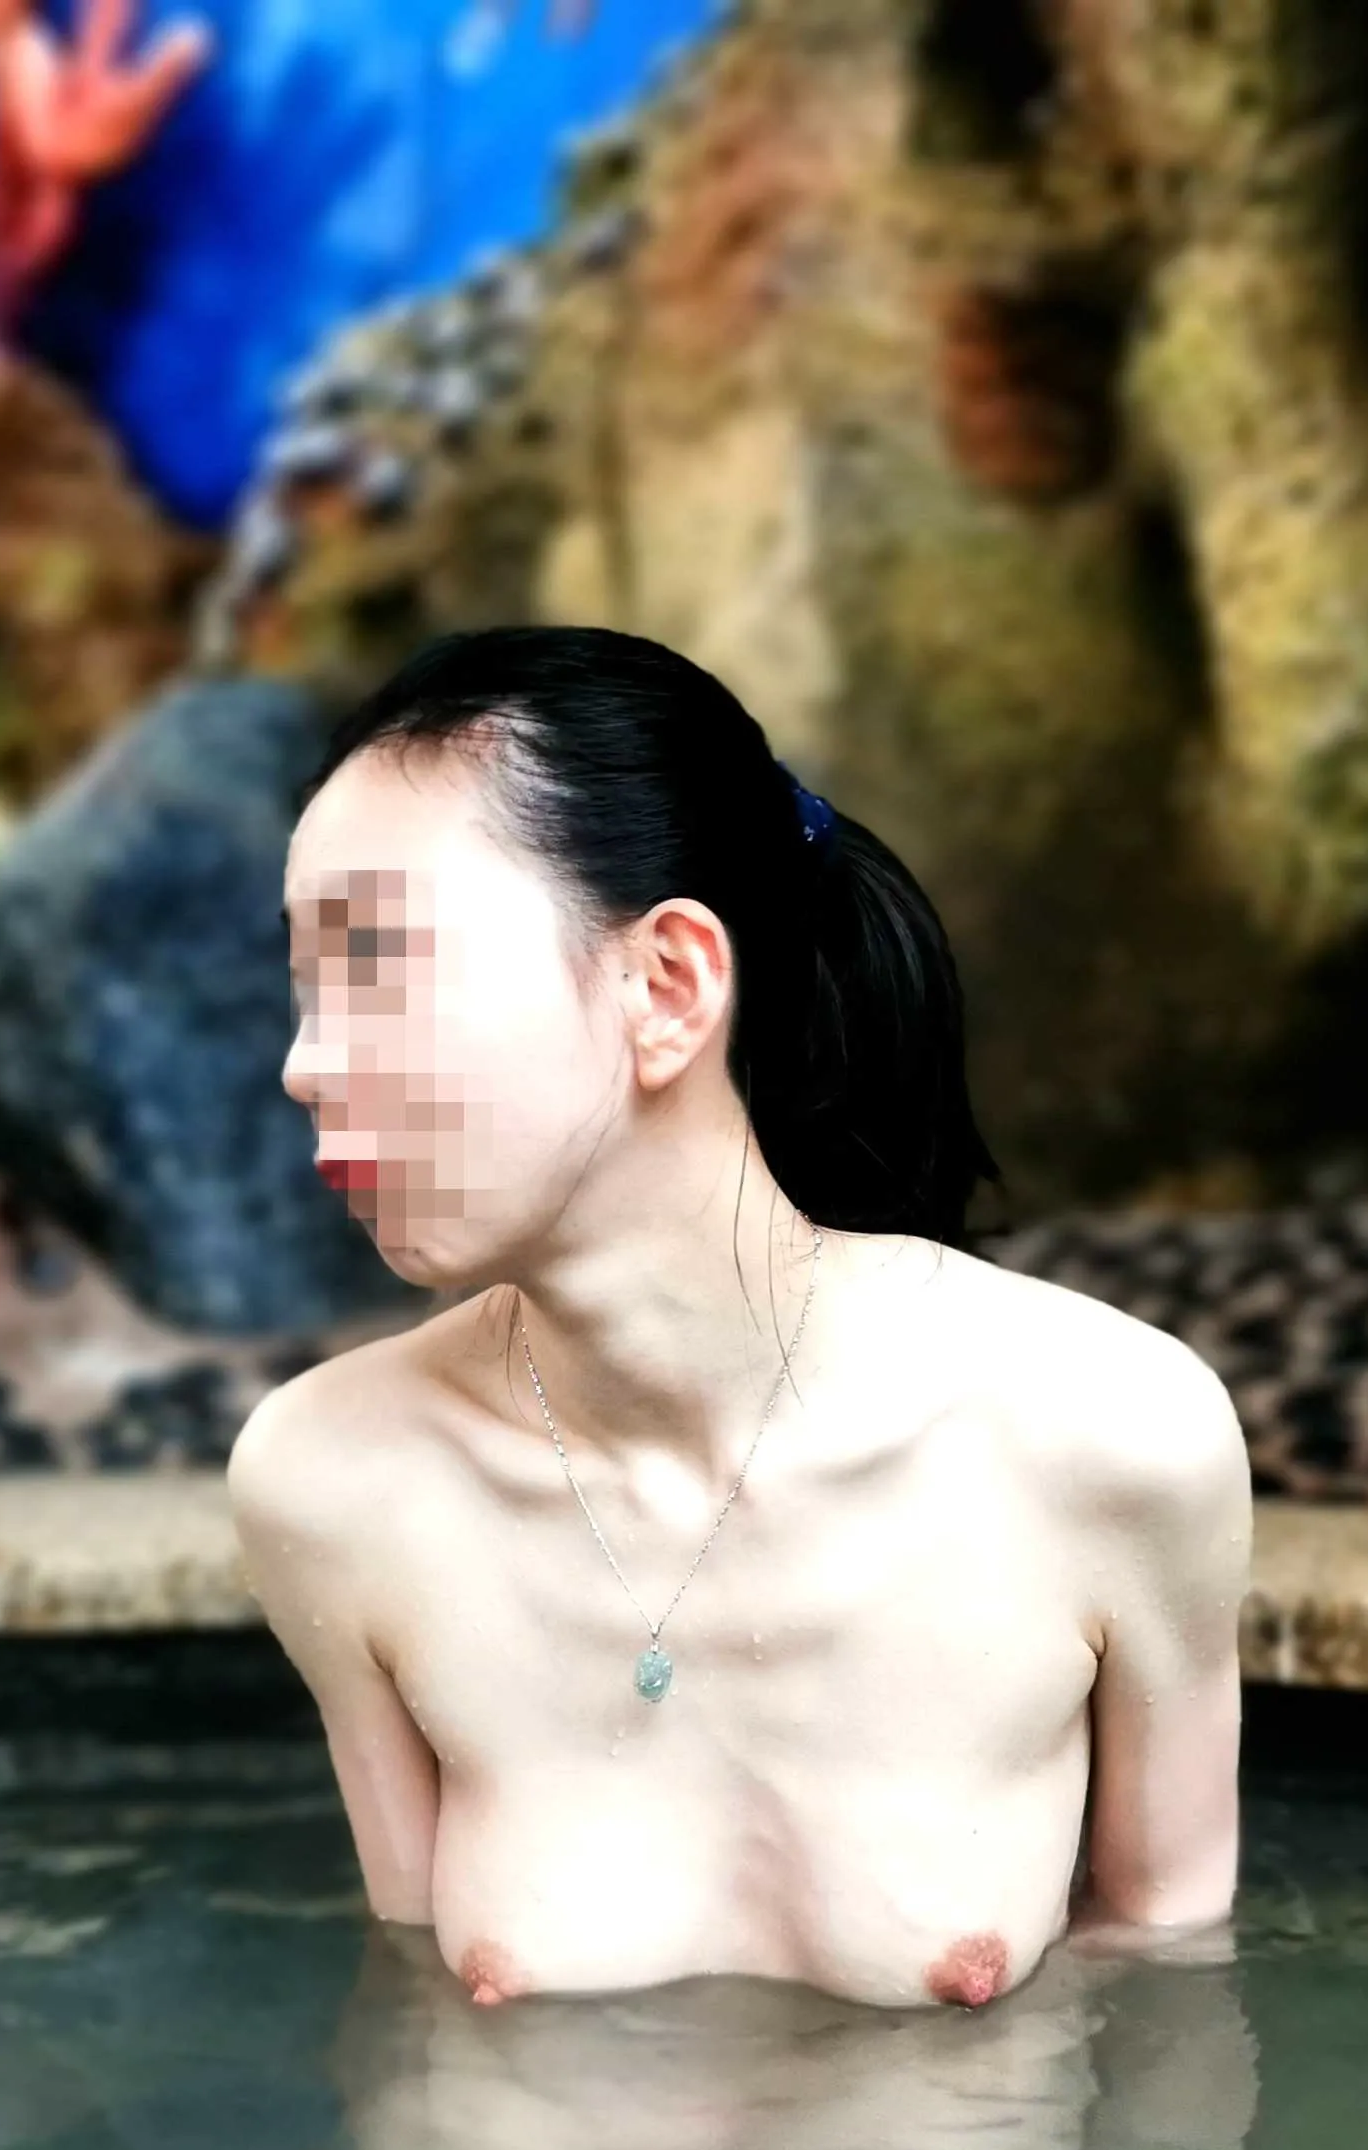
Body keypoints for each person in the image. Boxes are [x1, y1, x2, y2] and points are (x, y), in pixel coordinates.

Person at [227, 625, 1249, 2012]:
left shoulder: (1112, 1440)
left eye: (381, 966)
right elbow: (417, 2022)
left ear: (667, 988)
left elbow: (1176, 1998)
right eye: (306, 985)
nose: (305, 1066)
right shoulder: (334, 1485)